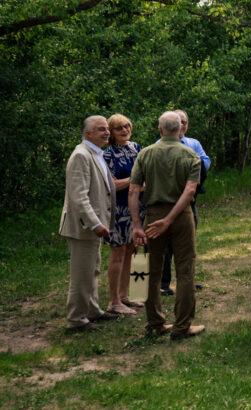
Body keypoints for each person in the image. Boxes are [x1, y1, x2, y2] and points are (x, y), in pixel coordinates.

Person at [129, 111, 204, 339]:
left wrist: (136, 225)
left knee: (145, 267)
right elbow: (190, 191)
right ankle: (182, 327)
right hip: (181, 216)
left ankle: (154, 322)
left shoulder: (145, 154)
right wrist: (170, 218)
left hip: (152, 215)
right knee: (185, 270)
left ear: (160, 130)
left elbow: (133, 190)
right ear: (180, 129)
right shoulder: (191, 155)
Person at [59, 116, 117, 332]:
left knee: (92, 270)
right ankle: (75, 320)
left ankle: (93, 311)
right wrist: (95, 224)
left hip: (94, 226)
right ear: (88, 133)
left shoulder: (96, 153)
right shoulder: (81, 156)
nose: (106, 132)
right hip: (83, 226)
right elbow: (79, 196)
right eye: (101, 129)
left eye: (106, 129)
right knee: (81, 274)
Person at [160, 109, 209, 296]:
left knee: (188, 242)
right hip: (168, 200)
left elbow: (205, 162)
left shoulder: (194, 143)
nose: (182, 125)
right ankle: (164, 283)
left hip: (190, 201)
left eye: (185, 122)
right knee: (165, 245)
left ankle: (186, 280)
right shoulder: (158, 145)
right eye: (178, 121)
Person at [103, 114, 144, 315]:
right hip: (118, 210)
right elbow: (111, 185)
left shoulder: (136, 148)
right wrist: (134, 181)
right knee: (118, 253)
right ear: (111, 132)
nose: (125, 130)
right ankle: (114, 301)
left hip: (136, 208)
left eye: (127, 126)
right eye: (119, 128)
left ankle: (126, 295)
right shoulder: (107, 155)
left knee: (132, 251)